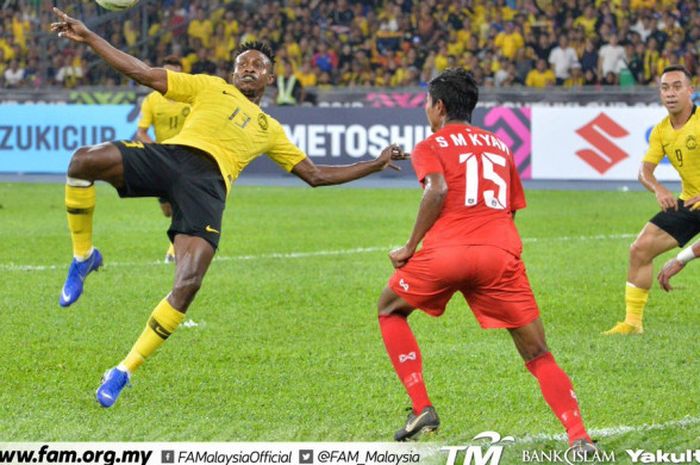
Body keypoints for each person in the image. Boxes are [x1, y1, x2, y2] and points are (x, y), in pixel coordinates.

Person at [50, 7, 407, 408]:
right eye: (242, 64)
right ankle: (84, 256)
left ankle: (123, 370)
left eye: (258, 65)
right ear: (233, 72)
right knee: (82, 161)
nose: (248, 68)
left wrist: (375, 164)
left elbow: (315, 174)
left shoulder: (270, 129)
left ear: (270, 78)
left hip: (208, 187)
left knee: (187, 283)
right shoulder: (208, 87)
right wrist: (90, 37)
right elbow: (144, 73)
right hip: (173, 156)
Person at [376, 68, 595, 451]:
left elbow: (437, 190)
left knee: (390, 309)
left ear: (439, 106)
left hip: (446, 254)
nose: (426, 110)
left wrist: (410, 246)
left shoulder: (432, 143)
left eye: (427, 103)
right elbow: (510, 208)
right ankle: (579, 437)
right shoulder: (499, 145)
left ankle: (421, 405)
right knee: (538, 353)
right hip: (499, 254)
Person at [605, 65, 700, 335]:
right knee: (639, 250)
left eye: (677, 86)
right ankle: (633, 323)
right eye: (665, 88)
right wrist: (658, 189)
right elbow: (643, 172)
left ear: (690, 91)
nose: (670, 93)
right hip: (691, 203)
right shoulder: (661, 130)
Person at [136, 55, 190, 263]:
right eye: (167, 73)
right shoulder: (152, 100)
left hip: (187, 154)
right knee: (167, 210)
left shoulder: (191, 98)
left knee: (181, 201)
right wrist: (156, 149)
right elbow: (141, 132)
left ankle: (174, 248)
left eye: (175, 73)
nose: (171, 77)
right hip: (163, 156)